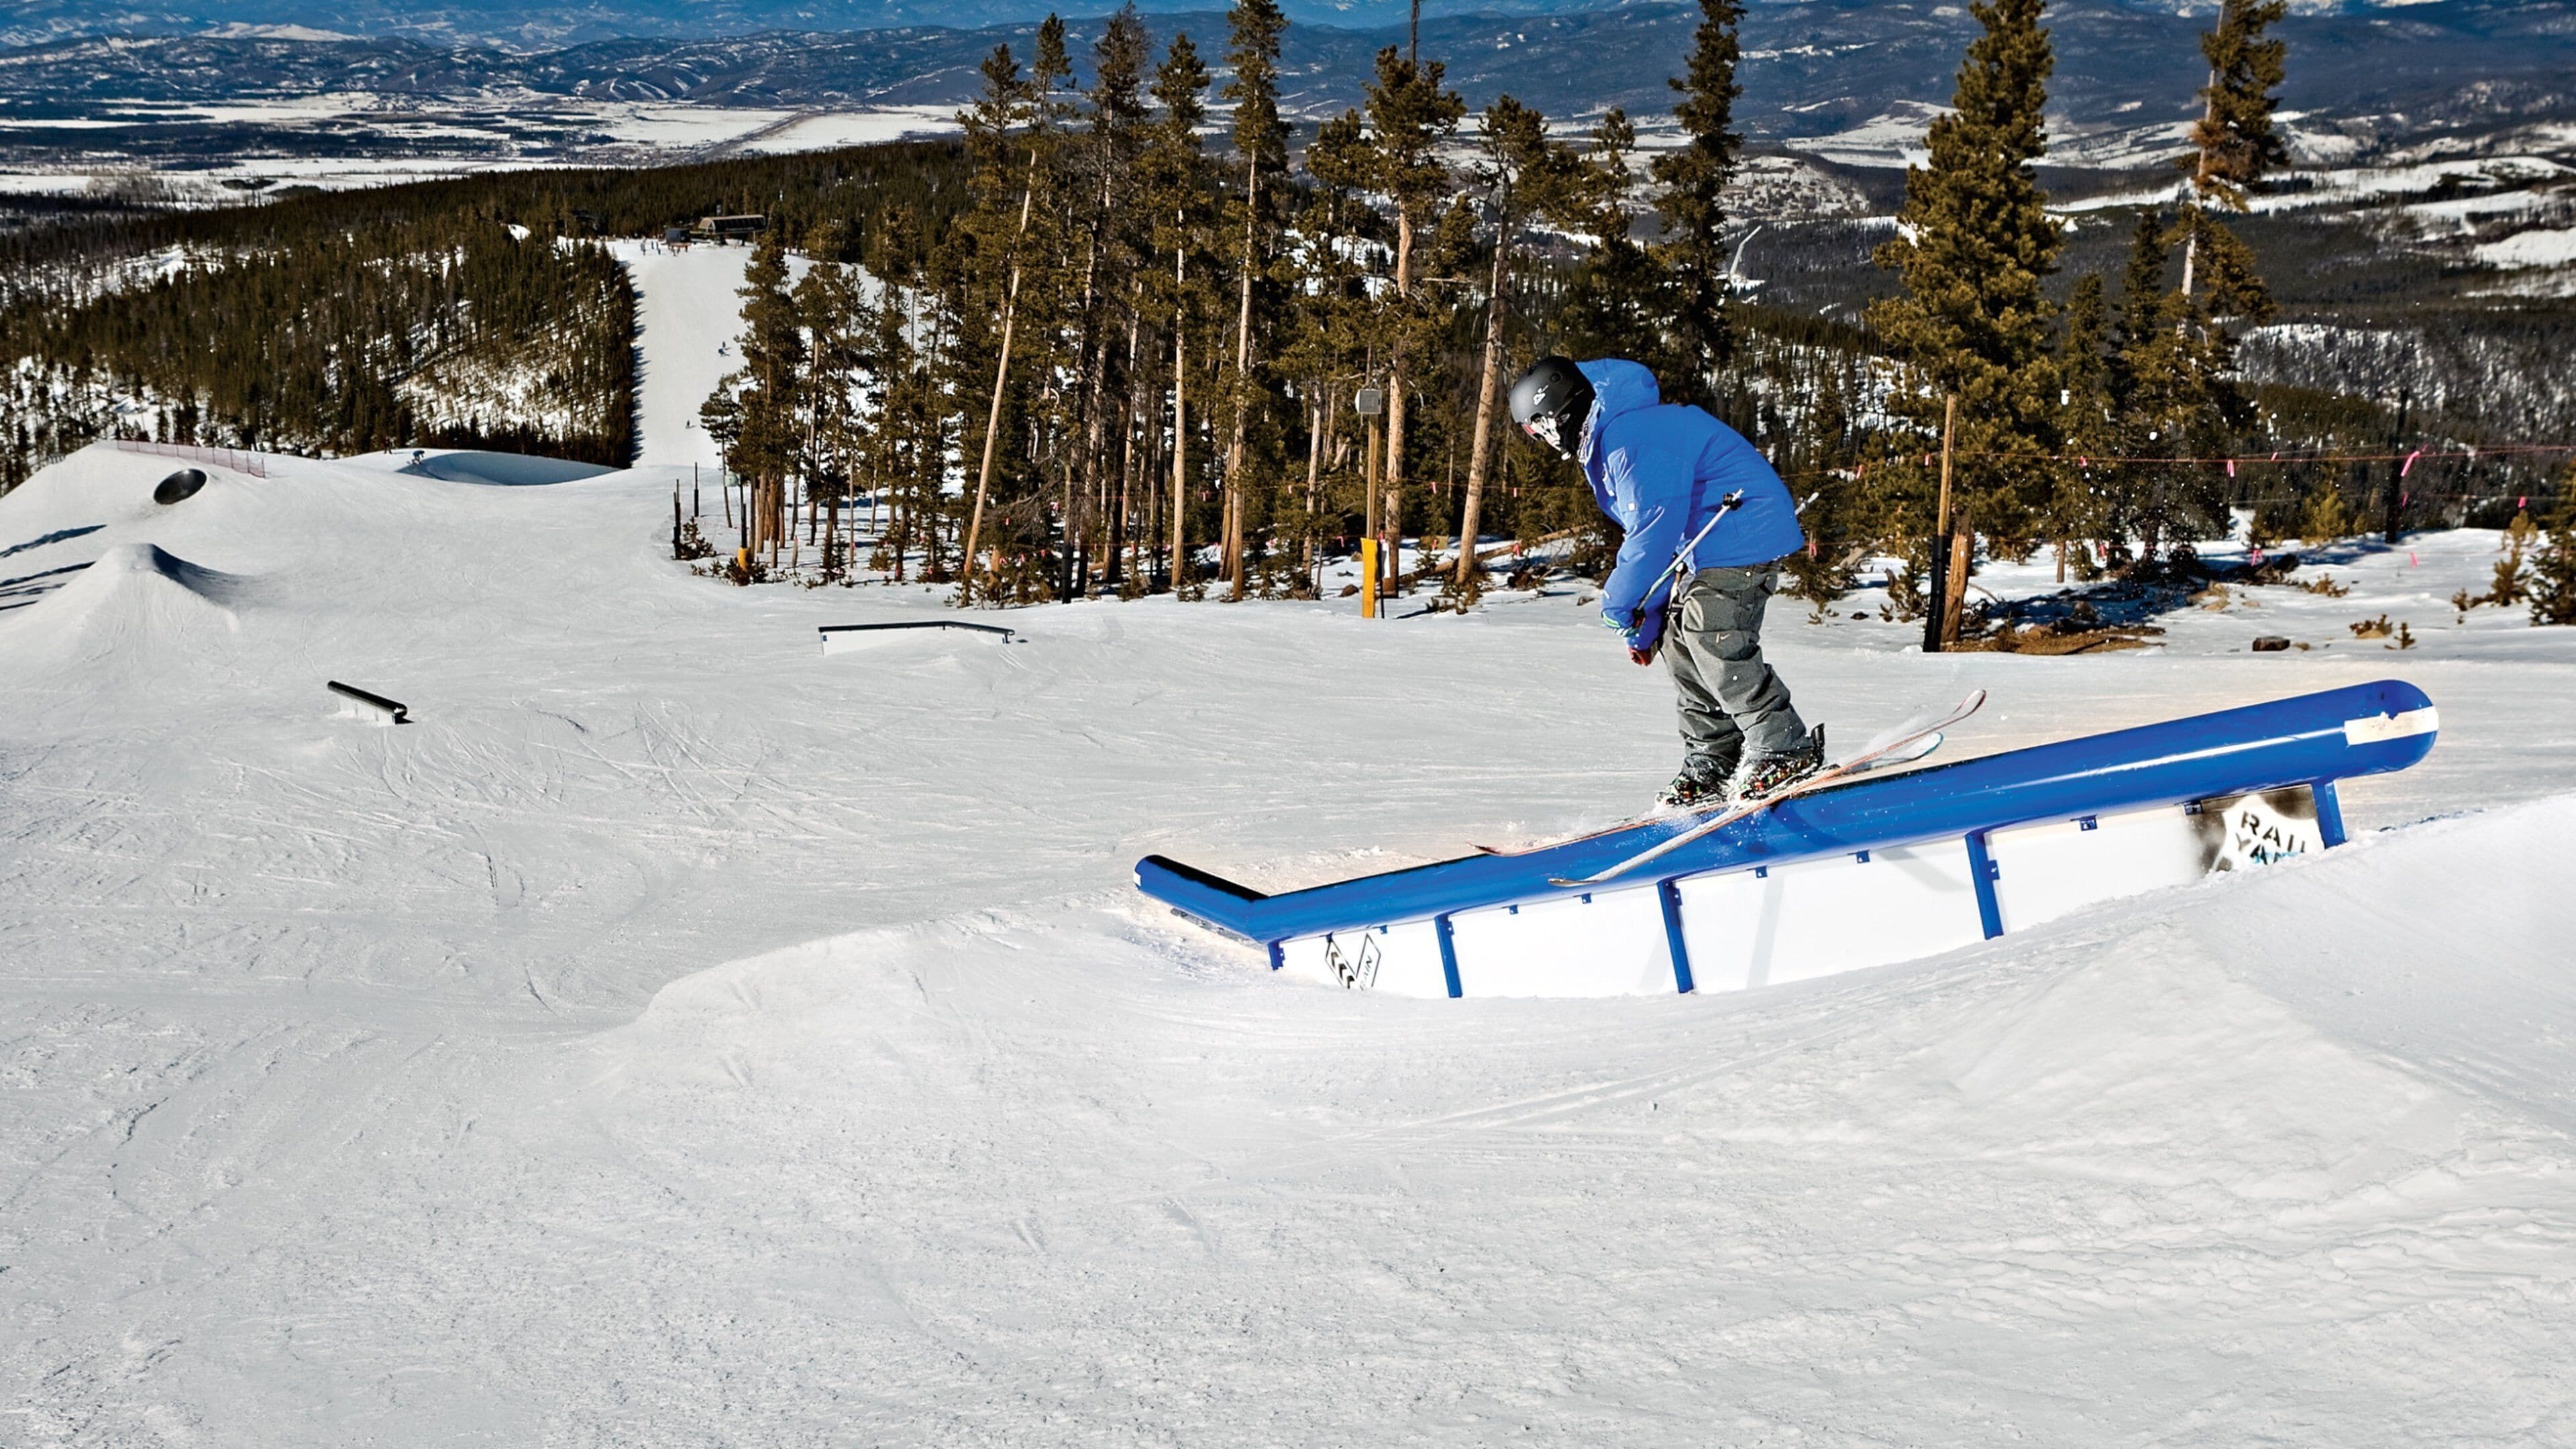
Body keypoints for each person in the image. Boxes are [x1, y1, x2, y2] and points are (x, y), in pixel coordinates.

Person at [1508, 355, 1821, 808]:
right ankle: (1714, 758)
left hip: (1741, 529)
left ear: (1558, 413)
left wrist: (1619, 606)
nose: (1541, 439)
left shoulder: (1629, 439)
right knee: (1678, 641)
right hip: (1708, 544)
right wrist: (1646, 623)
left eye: (1538, 428)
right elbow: (1662, 544)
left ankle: (1783, 746)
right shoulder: (1610, 439)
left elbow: (1651, 534)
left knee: (1710, 630)